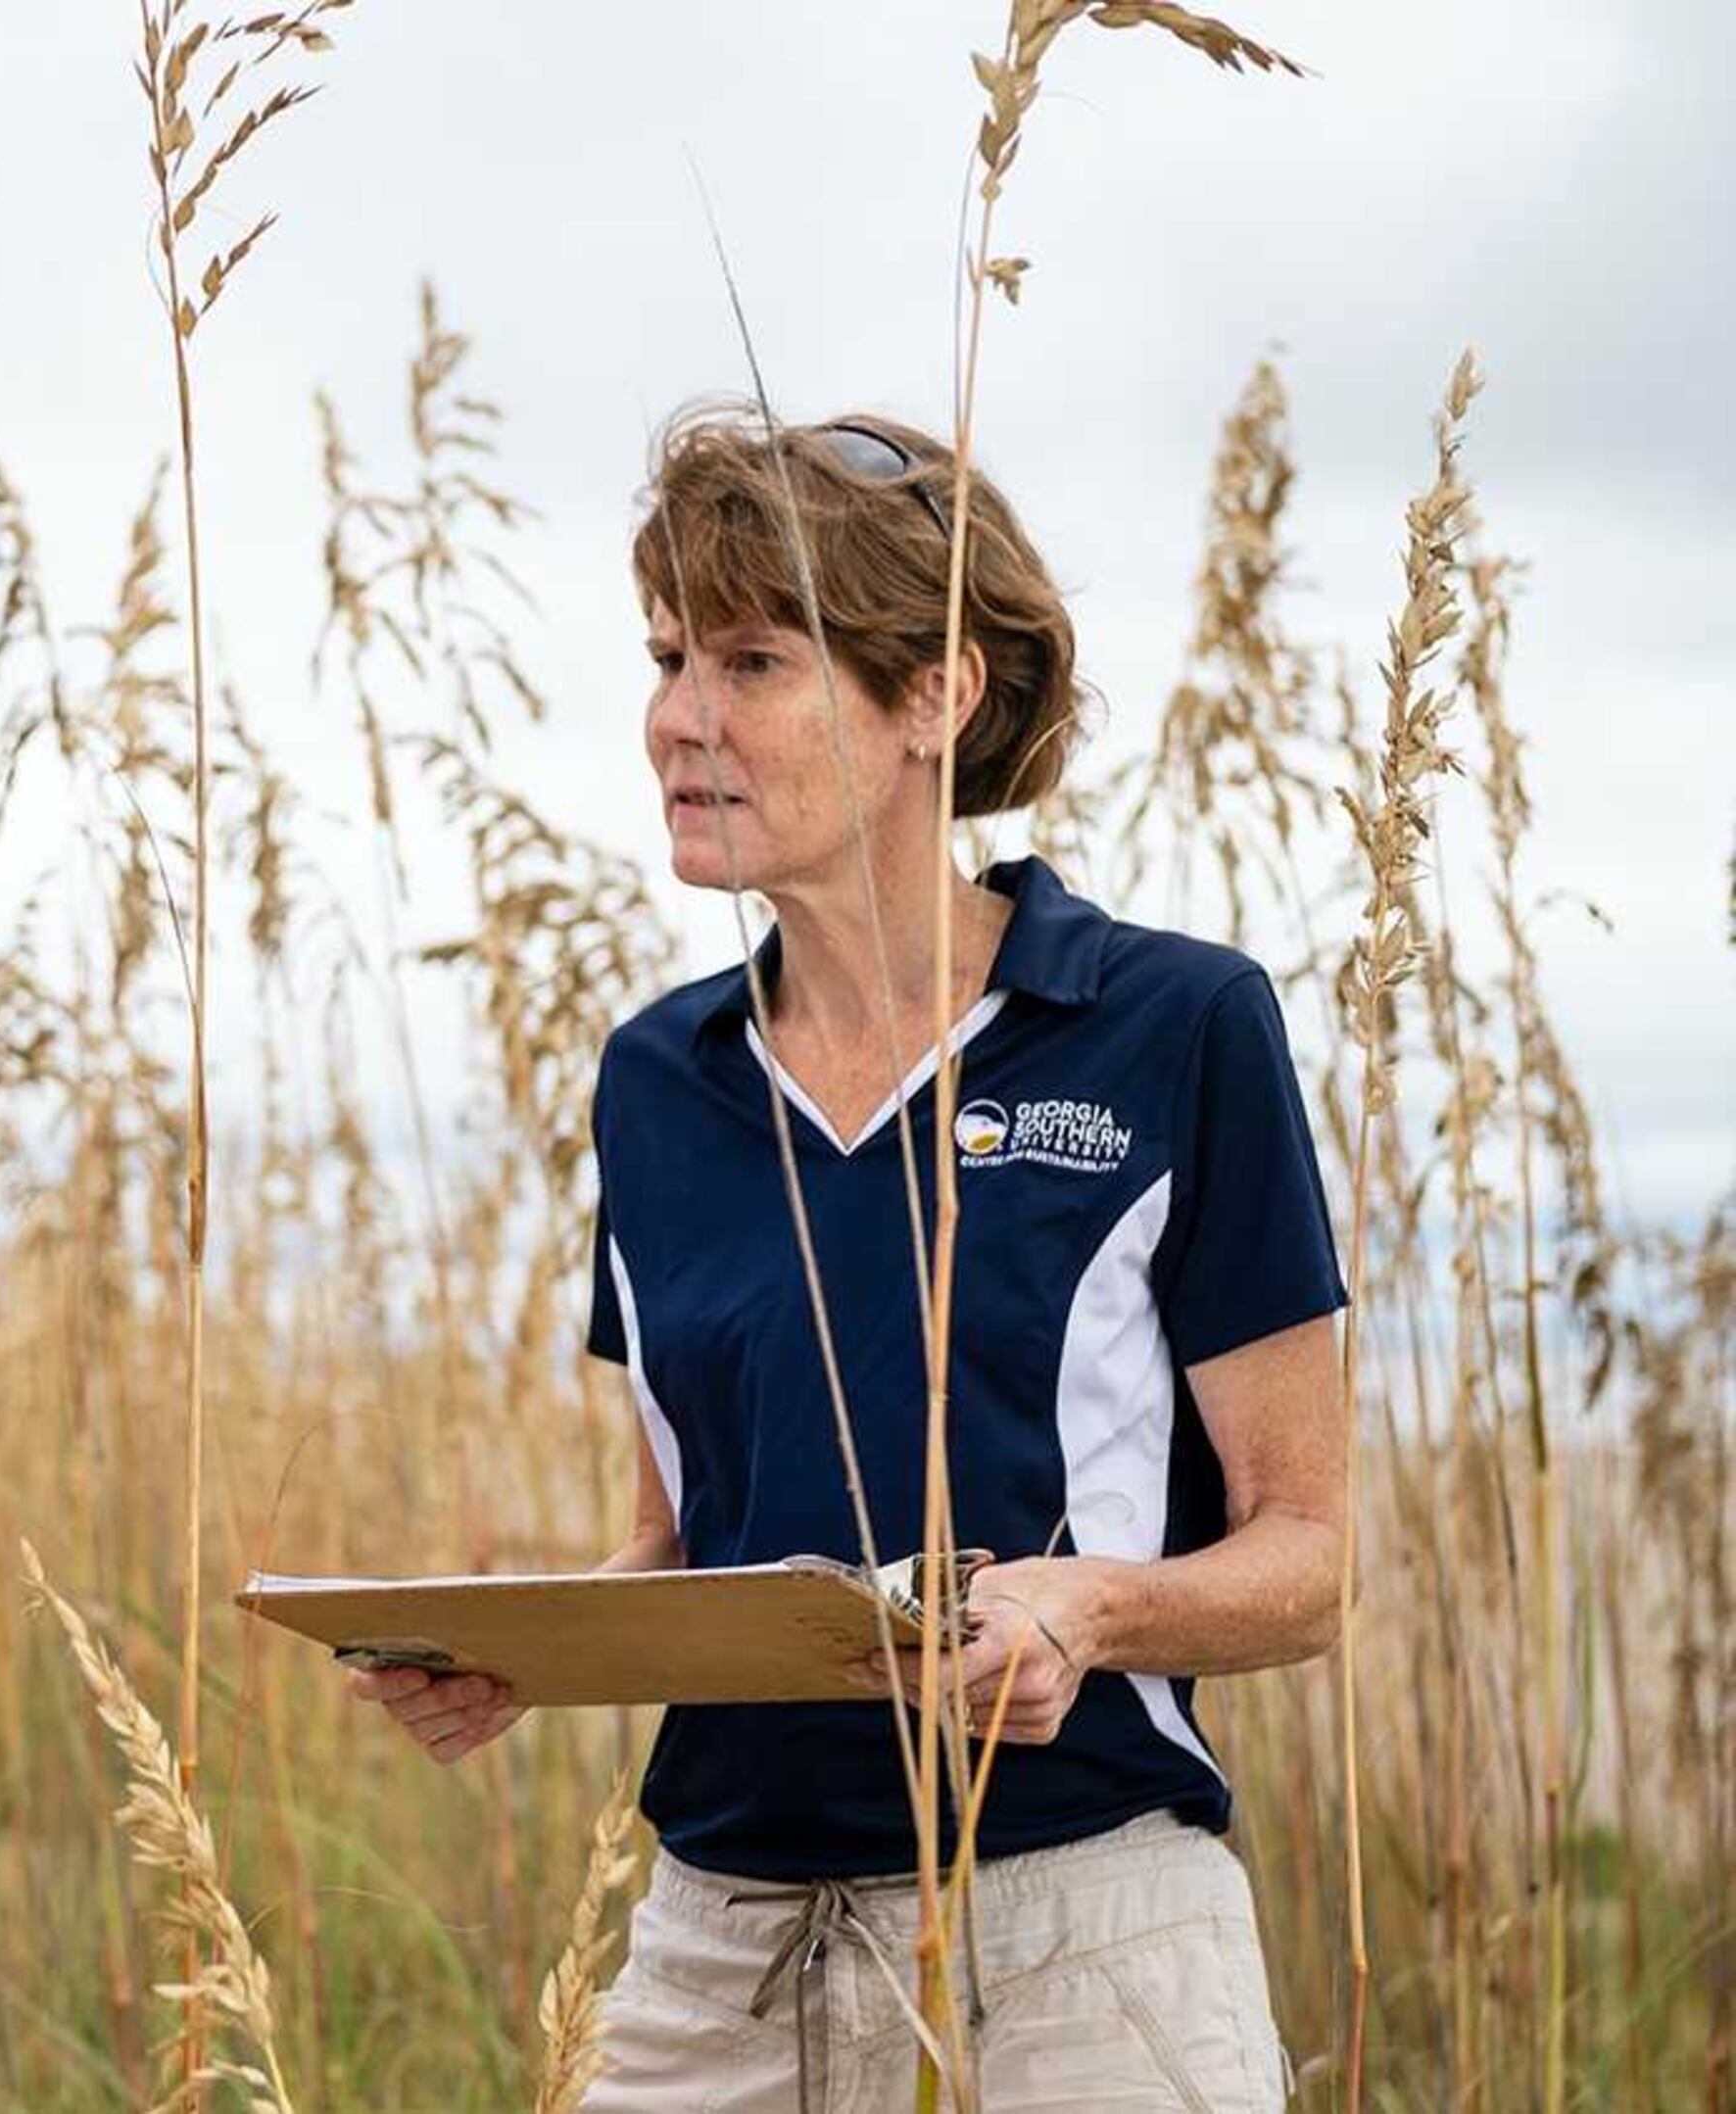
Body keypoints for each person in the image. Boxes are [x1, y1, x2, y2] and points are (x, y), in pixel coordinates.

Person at [352, 407, 1345, 2110]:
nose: (679, 716)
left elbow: (1310, 1558)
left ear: (935, 695)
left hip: (1081, 1940)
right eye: (669, 656)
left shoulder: (1173, 1029)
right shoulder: (655, 1083)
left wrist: (1087, 1609)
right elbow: (682, 1552)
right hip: (714, 1960)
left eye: (752, 660)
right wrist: (524, 1645)